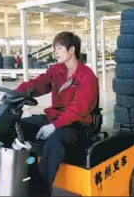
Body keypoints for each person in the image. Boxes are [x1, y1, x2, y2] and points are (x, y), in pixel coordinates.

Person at [14, 32, 99, 196]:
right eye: (54, 49)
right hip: (54, 118)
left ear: (72, 50)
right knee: (18, 125)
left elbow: (79, 108)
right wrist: (17, 92)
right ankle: (21, 176)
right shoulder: (56, 70)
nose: (55, 52)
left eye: (59, 48)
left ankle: (40, 192)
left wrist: (54, 125)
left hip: (77, 124)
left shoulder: (87, 77)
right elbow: (38, 84)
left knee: (54, 141)